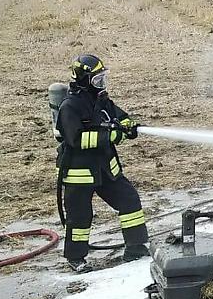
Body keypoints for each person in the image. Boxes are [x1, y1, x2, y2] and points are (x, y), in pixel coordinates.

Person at [56, 54, 147, 272]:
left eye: (102, 78)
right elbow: (76, 139)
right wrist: (110, 136)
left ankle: (135, 248)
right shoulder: (70, 106)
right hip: (80, 173)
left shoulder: (101, 100)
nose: (101, 83)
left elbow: (118, 116)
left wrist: (129, 125)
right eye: (97, 79)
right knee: (80, 217)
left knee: (129, 200)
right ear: (83, 80)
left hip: (105, 168)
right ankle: (76, 258)